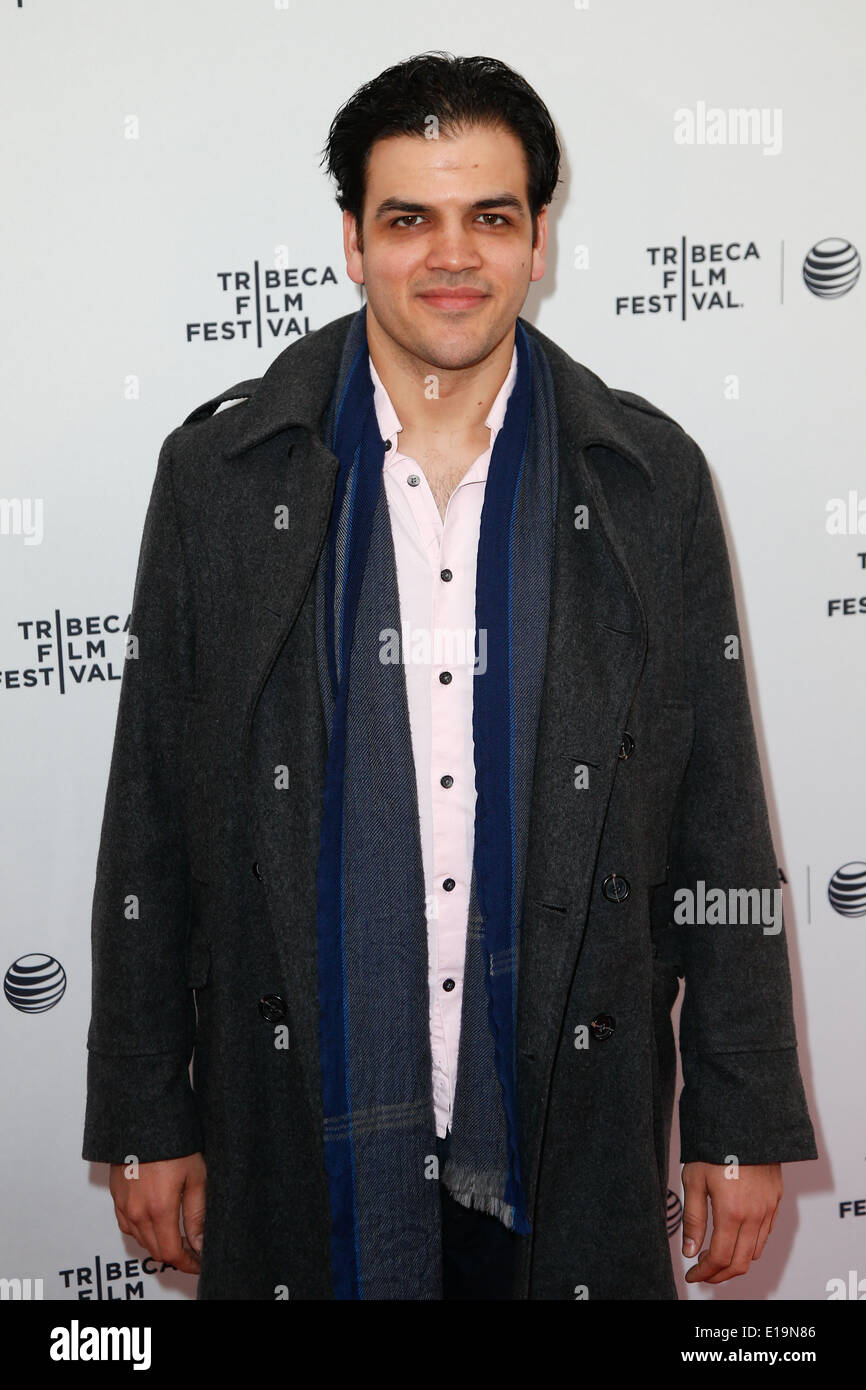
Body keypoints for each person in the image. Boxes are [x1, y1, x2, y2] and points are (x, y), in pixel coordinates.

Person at [83, 51, 817, 1300]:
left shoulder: (645, 478)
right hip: (296, 1104)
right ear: (352, 243)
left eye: (489, 216)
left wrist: (738, 1111)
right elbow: (152, 812)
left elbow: (717, 826)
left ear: (539, 238)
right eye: (407, 218)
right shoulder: (222, 475)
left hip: (563, 1111)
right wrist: (147, 1107)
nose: (450, 256)